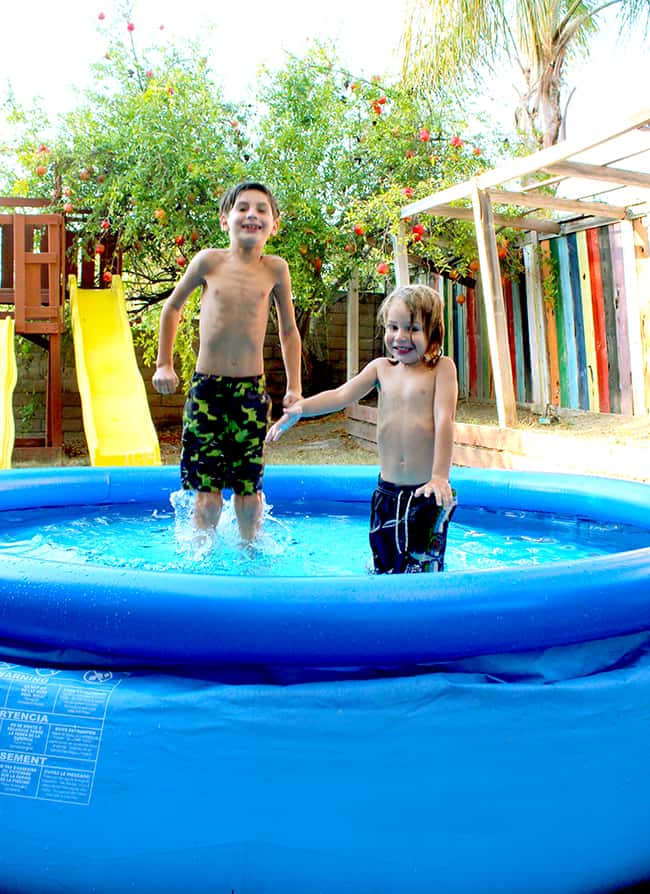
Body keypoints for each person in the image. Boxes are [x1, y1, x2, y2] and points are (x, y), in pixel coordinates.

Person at [266, 283, 457, 573]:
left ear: (434, 333)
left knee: (422, 568)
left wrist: (440, 476)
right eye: (393, 327)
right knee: (383, 566)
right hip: (387, 492)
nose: (401, 337)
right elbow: (341, 395)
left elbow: (445, 419)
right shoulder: (382, 368)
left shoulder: (441, 369)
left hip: (426, 493)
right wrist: (301, 409)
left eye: (413, 328)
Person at [152, 181, 302, 542]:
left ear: (274, 225)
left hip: (250, 393)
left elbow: (288, 331)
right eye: (243, 208)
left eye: (262, 209)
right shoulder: (209, 261)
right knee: (206, 493)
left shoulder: (275, 269)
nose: (252, 214)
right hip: (207, 390)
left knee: (249, 490)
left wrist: (295, 388)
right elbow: (172, 307)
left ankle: (250, 554)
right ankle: (203, 557)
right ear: (225, 220)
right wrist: (163, 363)